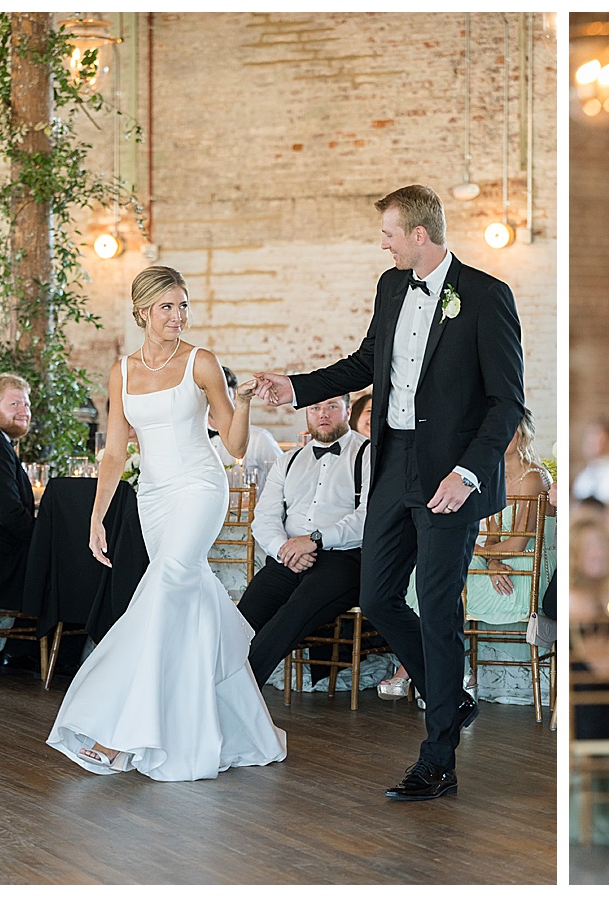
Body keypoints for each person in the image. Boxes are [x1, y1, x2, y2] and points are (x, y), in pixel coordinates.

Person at [253, 184, 524, 801]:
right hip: (391, 462)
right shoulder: (390, 287)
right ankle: (451, 696)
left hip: (450, 478)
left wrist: (469, 473)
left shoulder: (486, 296)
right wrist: (293, 386)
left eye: (388, 233)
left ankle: (438, 760)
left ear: (419, 235)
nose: (383, 242)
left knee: (437, 606)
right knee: (377, 597)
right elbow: (364, 362)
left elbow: (507, 402)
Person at [46, 265, 286, 781]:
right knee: (186, 599)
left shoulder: (201, 363)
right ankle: (237, 727)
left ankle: (116, 732)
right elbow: (114, 451)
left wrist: (240, 401)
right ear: (142, 312)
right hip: (153, 497)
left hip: (201, 486)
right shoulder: (122, 371)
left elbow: (236, 445)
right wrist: (97, 516)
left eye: (183, 305)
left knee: (166, 583)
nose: (178, 316)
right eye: (167, 307)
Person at [381, 408, 554, 697]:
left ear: (523, 432)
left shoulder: (533, 477)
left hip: (529, 568)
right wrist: (491, 559)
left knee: (444, 580)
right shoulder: (492, 473)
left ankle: (414, 670)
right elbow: (494, 537)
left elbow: (520, 544)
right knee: (427, 576)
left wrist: (486, 556)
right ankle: (455, 672)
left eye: (509, 429)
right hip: (499, 561)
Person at [236, 393, 372, 686]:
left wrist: (314, 540)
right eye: (315, 407)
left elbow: (368, 518)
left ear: (347, 411)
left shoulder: (369, 454)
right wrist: (284, 549)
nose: (323, 414)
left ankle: (240, 691)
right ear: (306, 413)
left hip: (342, 559)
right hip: (287, 557)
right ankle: (204, 688)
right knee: (241, 620)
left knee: (294, 612)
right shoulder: (288, 460)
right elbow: (265, 518)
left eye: (332, 407)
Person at [0, 373, 38, 671]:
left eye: (26, 404)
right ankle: (55, 658)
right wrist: (42, 540)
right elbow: (6, 512)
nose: (24, 411)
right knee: (76, 567)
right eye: (14, 404)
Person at [208, 365, 284, 495]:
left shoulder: (259, 438)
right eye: (209, 393)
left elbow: (283, 479)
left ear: (233, 395)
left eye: (223, 392)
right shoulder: (192, 437)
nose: (216, 400)